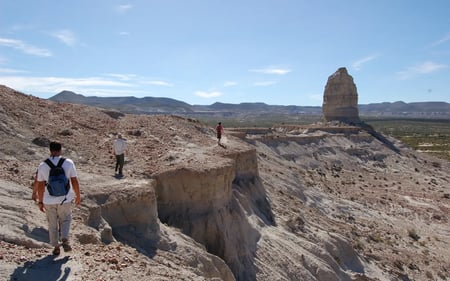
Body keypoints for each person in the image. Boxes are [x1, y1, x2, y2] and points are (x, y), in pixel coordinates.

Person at [36, 141, 81, 255]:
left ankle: (56, 247)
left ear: (50, 151)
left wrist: (40, 201)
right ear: (61, 150)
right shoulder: (68, 163)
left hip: (48, 199)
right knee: (65, 219)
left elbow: (40, 186)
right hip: (65, 198)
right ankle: (65, 238)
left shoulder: (43, 165)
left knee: (52, 223)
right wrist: (78, 195)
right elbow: (74, 181)